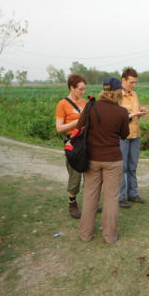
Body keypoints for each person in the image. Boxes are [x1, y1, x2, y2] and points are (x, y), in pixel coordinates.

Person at [76, 77, 130, 243]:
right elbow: (124, 135)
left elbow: (79, 125)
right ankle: (110, 236)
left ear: (104, 90)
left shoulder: (91, 106)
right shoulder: (121, 112)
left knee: (90, 196)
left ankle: (85, 234)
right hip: (112, 160)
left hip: (92, 158)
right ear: (117, 92)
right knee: (111, 198)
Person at [55, 75, 87, 219]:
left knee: (90, 173)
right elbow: (59, 128)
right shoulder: (62, 104)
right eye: (80, 89)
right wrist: (76, 123)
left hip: (86, 142)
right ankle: (72, 204)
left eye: (84, 89)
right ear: (72, 88)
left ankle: (90, 202)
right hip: (73, 144)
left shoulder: (85, 103)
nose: (83, 92)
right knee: (75, 175)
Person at [118, 68, 148, 208]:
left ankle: (133, 193)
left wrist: (140, 112)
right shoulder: (116, 95)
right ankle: (120, 196)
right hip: (122, 135)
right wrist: (131, 114)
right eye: (131, 82)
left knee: (132, 166)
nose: (133, 85)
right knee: (122, 167)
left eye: (135, 82)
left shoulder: (134, 94)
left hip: (135, 133)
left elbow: (133, 112)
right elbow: (116, 116)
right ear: (123, 80)